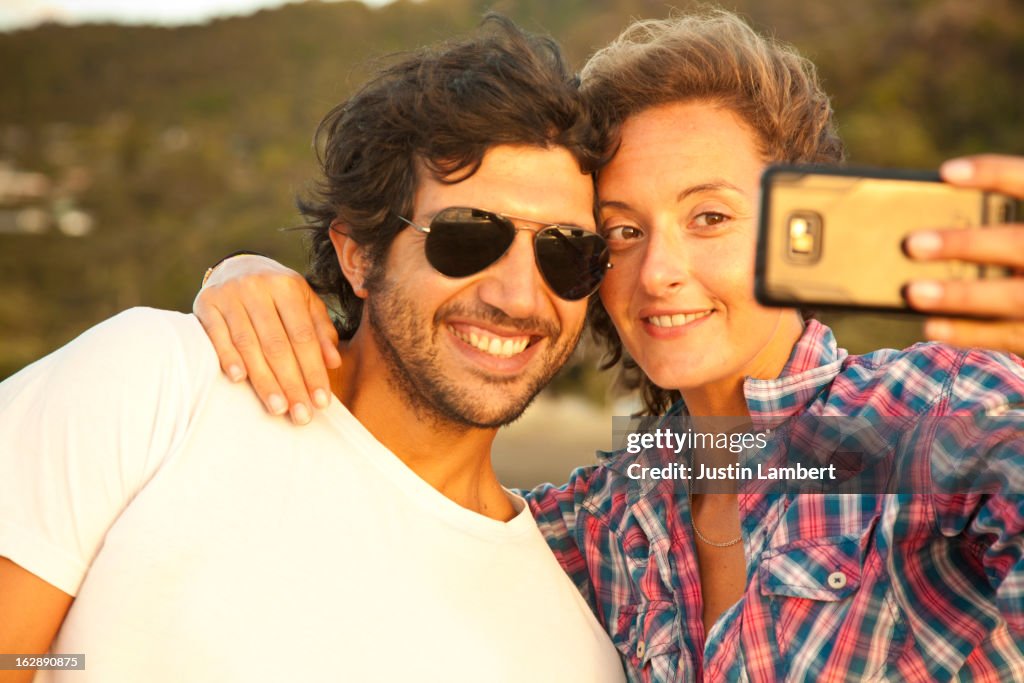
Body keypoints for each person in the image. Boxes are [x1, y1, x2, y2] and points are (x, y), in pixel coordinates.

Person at [193, 10, 1024, 682]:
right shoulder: (609, 517)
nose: (660, 271)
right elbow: (410, 502)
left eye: (710, 217)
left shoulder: (937, 409)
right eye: (622, 230)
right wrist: (255, 281)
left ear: (797, 225)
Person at [0, 17, 626, 683]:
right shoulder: (158, 385)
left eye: (565, 251)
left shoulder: (573, 656)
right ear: (357, 254)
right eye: (468, 237)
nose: (519, 297)